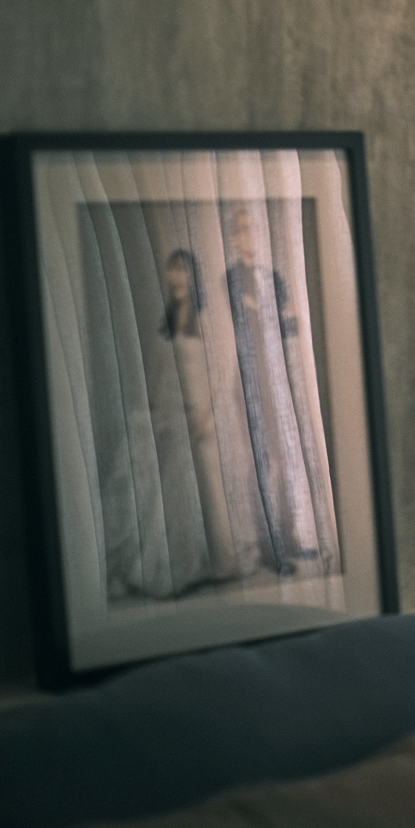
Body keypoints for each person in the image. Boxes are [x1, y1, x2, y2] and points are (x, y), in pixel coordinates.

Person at [224, 205, 322, 575]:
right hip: (251, 379)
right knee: (262, 462)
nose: (248, 236)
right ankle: (270, 547)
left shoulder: (273, 277)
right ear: (234, 237)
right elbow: (248, 323)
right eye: (241, 230)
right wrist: (269, 316)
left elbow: (290, 325)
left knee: (286, 459)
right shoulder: (232, 278)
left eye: (253, 228)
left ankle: (289, 535)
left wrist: (272, 316)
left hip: (277, 376)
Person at [158, 249, 242, 583]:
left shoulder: (206, 315)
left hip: (206, 414)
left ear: (193, 275)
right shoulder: (171, 313)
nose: (177, 277)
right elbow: (164, 367)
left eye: (183, 270)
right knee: (183, 488)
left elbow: (221, 371)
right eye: (172, 270)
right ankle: (193, 562)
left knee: (211, 488)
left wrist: (206, 416)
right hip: (179, 412)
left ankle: (225, 563)